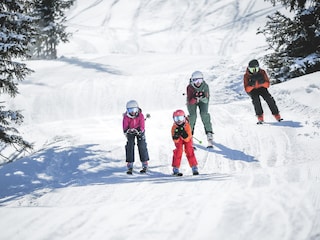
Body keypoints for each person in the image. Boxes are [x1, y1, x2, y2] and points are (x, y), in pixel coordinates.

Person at [243, 59, 282, 124]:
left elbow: (267, 85)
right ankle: (260, 117)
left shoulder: (262, 72)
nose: (254, 71)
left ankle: (277, 115)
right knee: (256, 100)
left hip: (261, 88)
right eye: (252, 69)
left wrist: (263, 82)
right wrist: (251, 84)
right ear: (249, 69)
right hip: (252, 90)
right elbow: (247, 89)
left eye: (256, 69)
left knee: (269, 98)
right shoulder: (246, 76)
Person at [186, 71, 214, 147]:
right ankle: (189, 136)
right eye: (195, 80)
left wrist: (202, 97)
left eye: (200, 80)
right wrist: (195, 97)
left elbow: (207, 100)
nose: (198, 83)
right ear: (192, 80)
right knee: (192, 116)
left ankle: (209, 133)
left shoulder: (205, 86)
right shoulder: (190, 87)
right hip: (192, 101)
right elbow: (190, 101)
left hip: (202, 101)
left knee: (204, 114)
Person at [122, 100, 149, 174]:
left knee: (142, 145)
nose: (133, 112)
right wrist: (126, 130)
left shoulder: (140, 115)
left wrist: (140, 130)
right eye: (130, 110)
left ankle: (144, 163)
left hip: (139, 131)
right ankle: (130, 163)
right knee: (129, 145)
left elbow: (142, 125)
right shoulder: (126, 117)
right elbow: (124, 125)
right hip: (130, 131)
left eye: (134, 110)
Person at [171, 109, 199, 176]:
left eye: (180, 118)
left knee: (189, 150)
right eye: (176, 119)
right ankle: (175, 168)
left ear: (184, 118)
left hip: (187, 139)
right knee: (178, 151)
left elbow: (188, 139)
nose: (179, 121)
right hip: (179, 140)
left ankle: (194, 167)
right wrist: (176, 136)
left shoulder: (187, 126)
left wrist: (184, 134)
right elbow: (175, 140)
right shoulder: (174, 127)